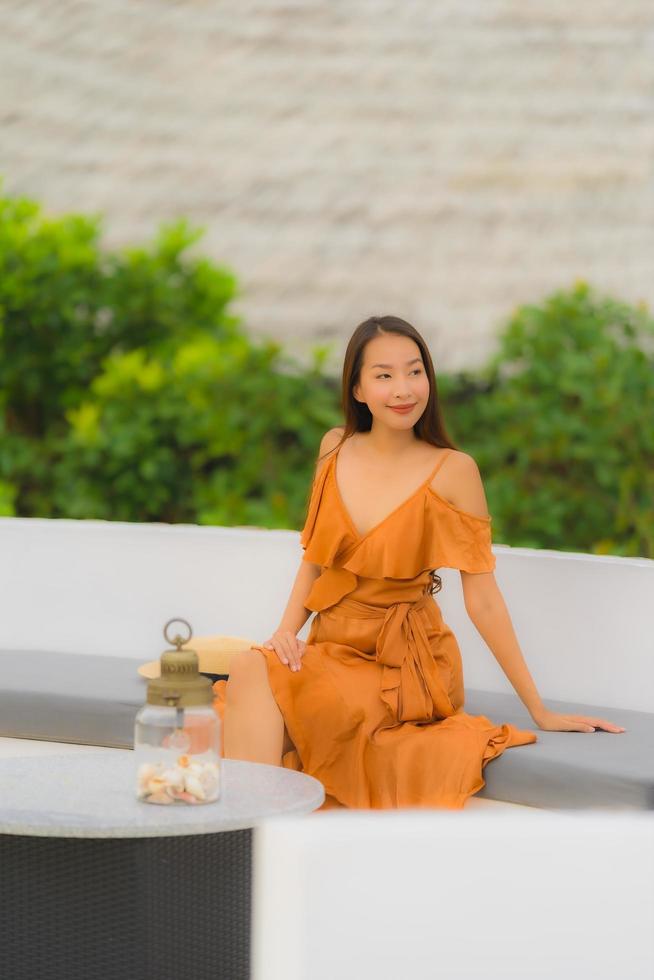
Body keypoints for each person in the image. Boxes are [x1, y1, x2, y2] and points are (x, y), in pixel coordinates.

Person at [212, 315, 625, 810]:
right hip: (333, 646)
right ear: (359, 389)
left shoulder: (453, 470)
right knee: (251, 667)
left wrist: (538, 708)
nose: (404, 389)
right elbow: (316, 561)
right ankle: (250, 837)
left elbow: (484, 599)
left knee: (255, 694)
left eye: (415, 371)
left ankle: (243, 845)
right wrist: (286, 635)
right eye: (384, 375)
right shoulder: (334, 447)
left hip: (406, 664)